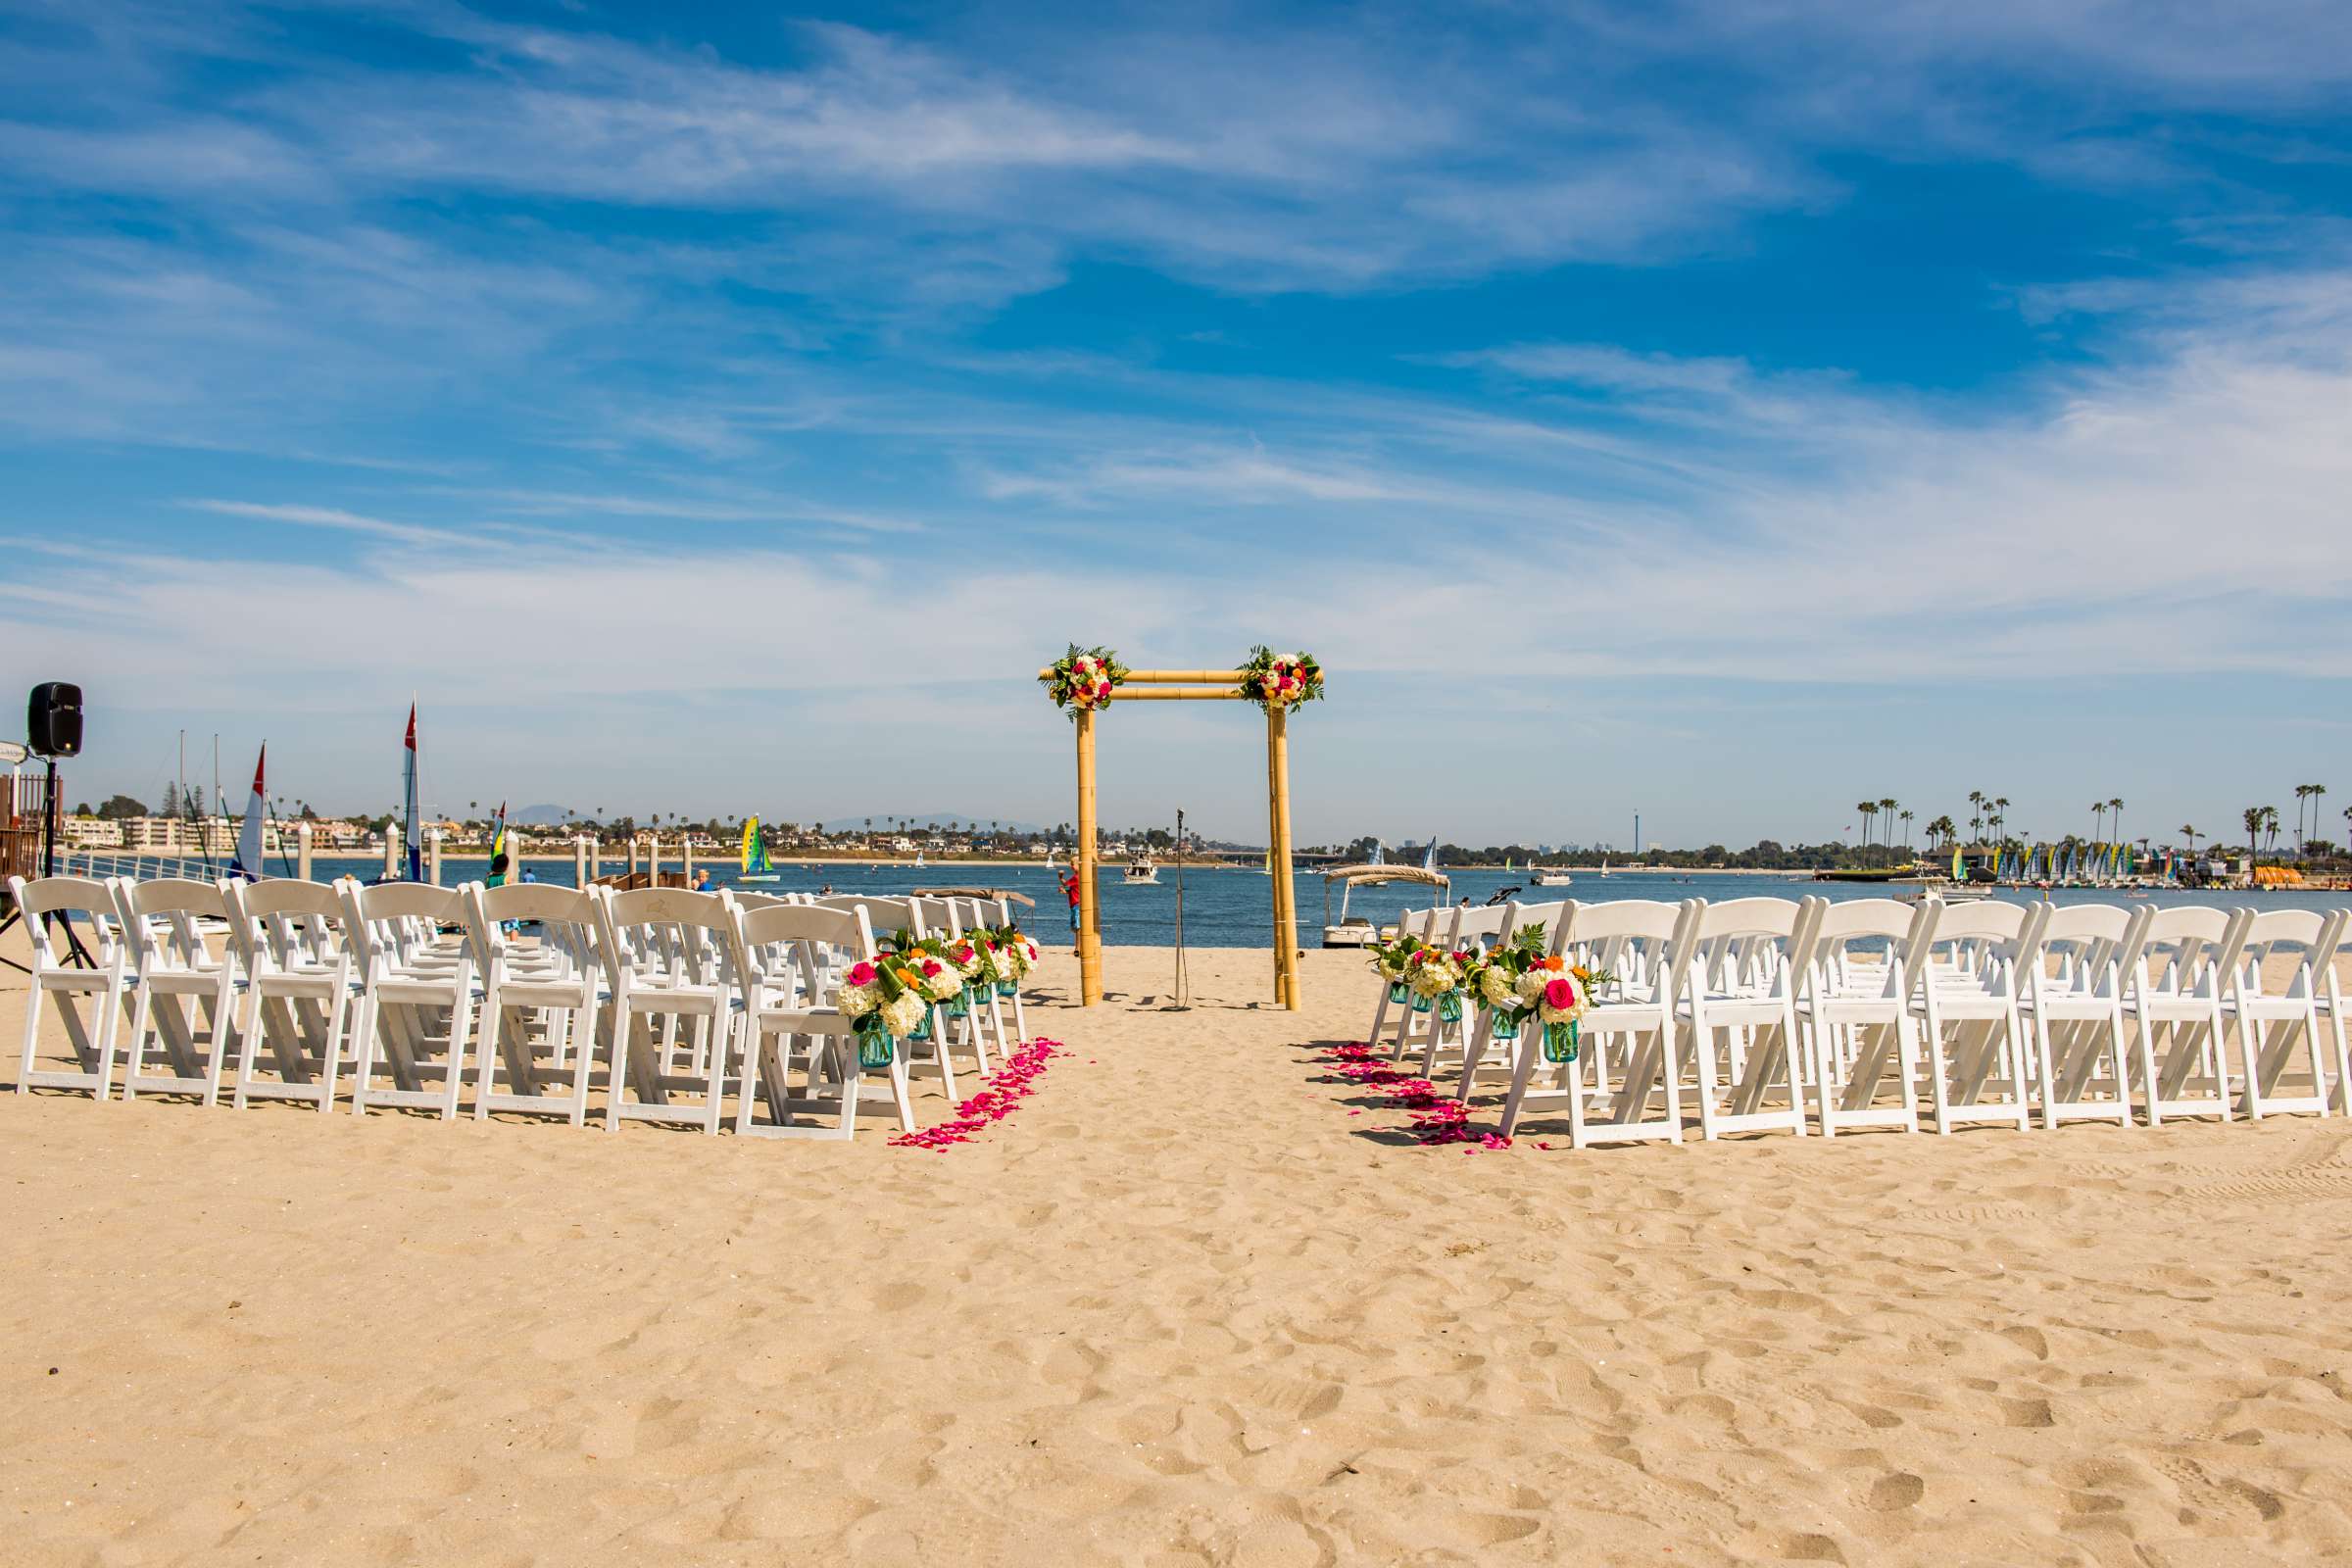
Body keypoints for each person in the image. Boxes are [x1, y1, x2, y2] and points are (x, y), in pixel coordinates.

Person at [1059, 865, 1082, 947]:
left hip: (1076, 904)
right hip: (1076, 903)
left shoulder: (1076, 877)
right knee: (1076, 927)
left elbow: (1065, 884)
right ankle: (1079, 947)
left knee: (1077, 927)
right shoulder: (1079, 877)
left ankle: (1077, 948)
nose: (1071, 866)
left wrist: (1060, 877)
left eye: (1073, 864)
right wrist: (1065, 891)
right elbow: (1075, 890)